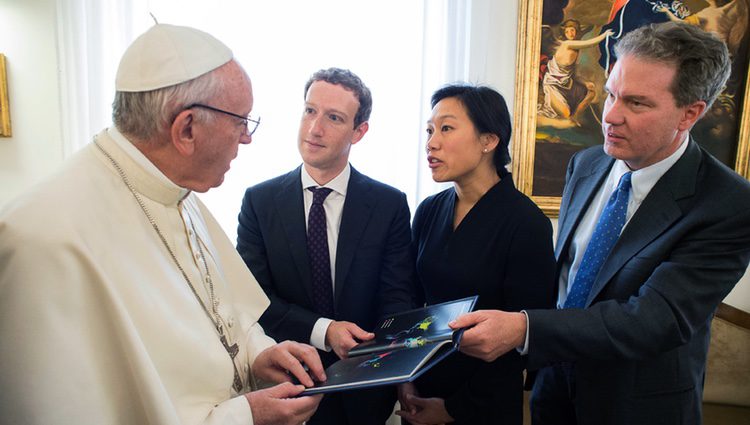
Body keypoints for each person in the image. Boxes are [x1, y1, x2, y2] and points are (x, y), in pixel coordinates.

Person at [0, 24, 326, 425]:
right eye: (241, 122)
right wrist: (246, 417)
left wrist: (256, 353)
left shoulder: (176, 189)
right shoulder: (42, 238)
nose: (246, 139)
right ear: (186, 129)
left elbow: (219, 314)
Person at [450, 22, 750, 424]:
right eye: (611, 94)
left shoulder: (728, 203)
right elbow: (566, 278)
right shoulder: (587, 163)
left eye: (637, 104)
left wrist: (525, 330)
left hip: (637, 406)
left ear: (690, 113)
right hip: (553, 391)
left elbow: (652, 320)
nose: (610, 116)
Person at [236, 67, 415, 424]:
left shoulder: (388, 204)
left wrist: (396, 369)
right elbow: (252, 299)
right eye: (310, 111)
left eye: (334, 118)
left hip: (365, 391)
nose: (315, 128)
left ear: (359, 131)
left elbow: (398, 299)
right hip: (286, 386)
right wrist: (325, 330)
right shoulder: (259, 201)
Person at [396, 85, 556, 425]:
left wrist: (453, 409)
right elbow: (413, 300)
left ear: (488, 140)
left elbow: (525, 338)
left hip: (483, 404)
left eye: (446, 128)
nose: (431, 142)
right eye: (429, 130)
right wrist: (405, 376)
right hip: (422, 386)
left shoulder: (526, 223)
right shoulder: (429, 210)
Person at [537, 20, 613, 129]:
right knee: (565, 114)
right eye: (567, 31)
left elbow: (574, 74)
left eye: (572, 30)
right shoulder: (567, 45)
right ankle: (568, 118)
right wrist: (604, 35)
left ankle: (575, 118)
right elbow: (589, 43)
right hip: (553, 85)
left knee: (591, 92)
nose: (570, 33)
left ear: (576, 31)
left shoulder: (576, 51)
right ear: (564, 33)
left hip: (567, 84)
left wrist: (585, 83)